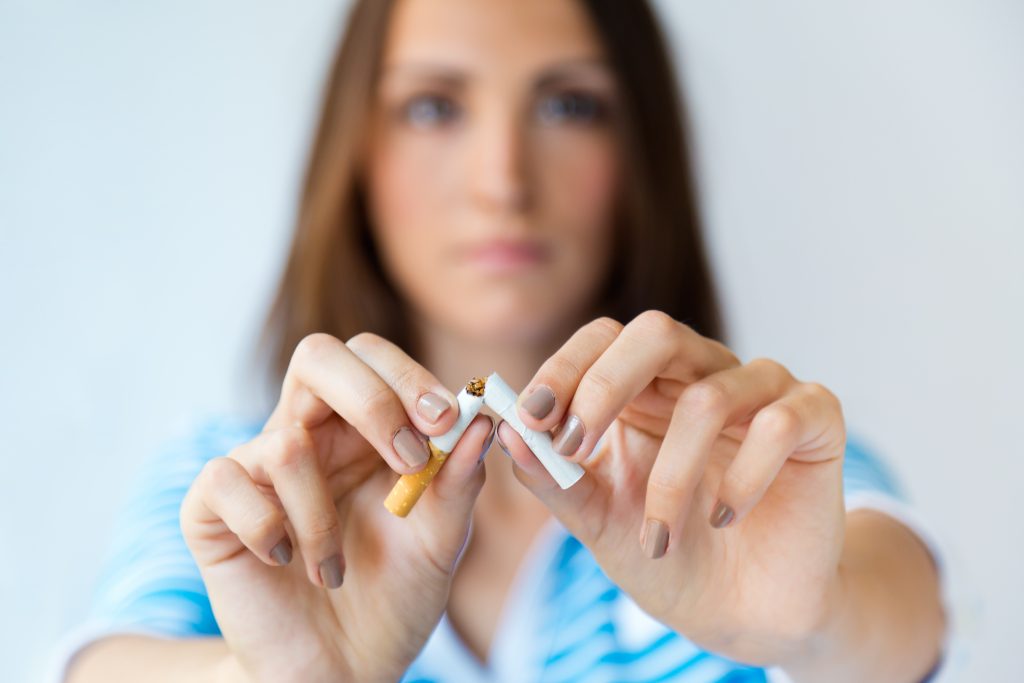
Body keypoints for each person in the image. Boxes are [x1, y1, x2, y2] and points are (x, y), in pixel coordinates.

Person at [54, 0, 948, 681]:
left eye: (569, 105)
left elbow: (898, 614)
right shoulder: (234, 484)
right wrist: (274, 677)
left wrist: (811, 626)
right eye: (433, 108)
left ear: (640, 151)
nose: (502, 180)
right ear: (356, 152)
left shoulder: (765, 467)